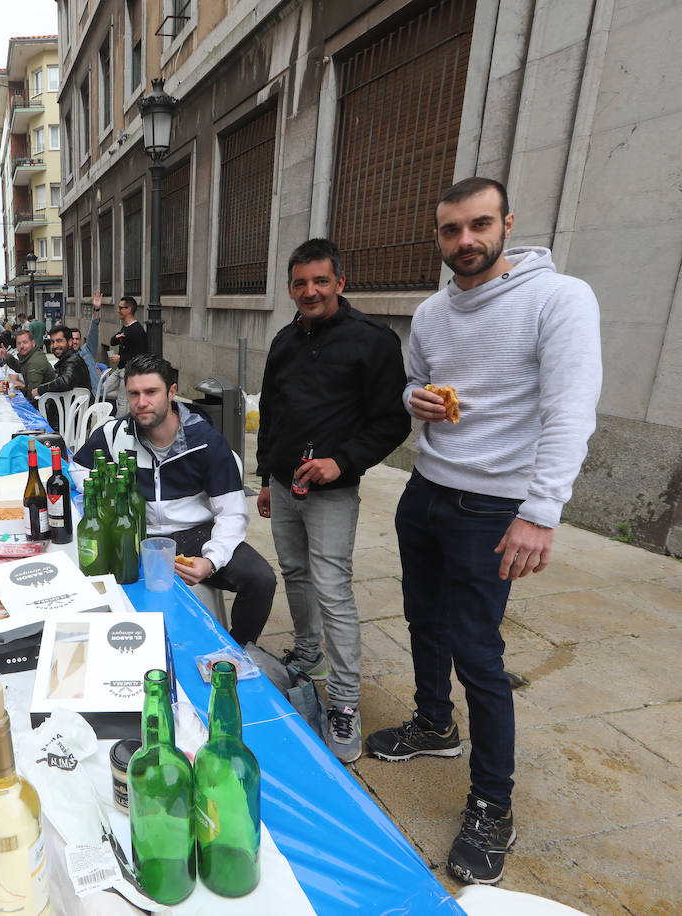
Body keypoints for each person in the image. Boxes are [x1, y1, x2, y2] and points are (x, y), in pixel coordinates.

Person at [365, 178, 601, 886]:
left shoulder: (559, 299)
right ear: (437, 238)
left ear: (506, 223)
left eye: (478, 225)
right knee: (421, 624)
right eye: (450, 230)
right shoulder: (433, 310)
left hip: (494, 511)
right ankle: (435, 725)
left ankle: (493, 803)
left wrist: (541, 512)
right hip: (428, 492)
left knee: (480, 655)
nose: (465, 240)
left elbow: (571, 411)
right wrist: (419, 401)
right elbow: (415, 383)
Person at [256, 237, 412, 764]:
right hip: (283, 485)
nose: (310, 291)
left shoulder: (374, 341)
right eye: (300, 282)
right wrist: (264, 476)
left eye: (321, 281)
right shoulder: (283, 341)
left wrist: (339, 462)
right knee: (294, 575)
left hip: (332, 492)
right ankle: (308, 657)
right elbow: (271, 415)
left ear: (340, 283)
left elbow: (392, 422)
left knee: (333, 589)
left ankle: (345, 702)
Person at [72, 355, 276, 645]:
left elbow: (232, 513)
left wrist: (211, 560)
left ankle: (237, 650)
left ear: (171, 392)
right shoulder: (114, 433)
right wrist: (110, 496)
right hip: (133, 533)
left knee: (261, 580)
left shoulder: (206, 442)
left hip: (195, 536)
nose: (141, 402)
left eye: (151, 392)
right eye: (134, 393)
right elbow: (78, 467)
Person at [0, 328, 54, 405]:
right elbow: (20, 367)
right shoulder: (30, 355)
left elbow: (32, 395)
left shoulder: (34, 362)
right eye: (19, 343)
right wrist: (7, 356)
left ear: (33, 343)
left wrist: (22, 389)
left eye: (25, 342)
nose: (22, 346)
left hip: (46, 405)